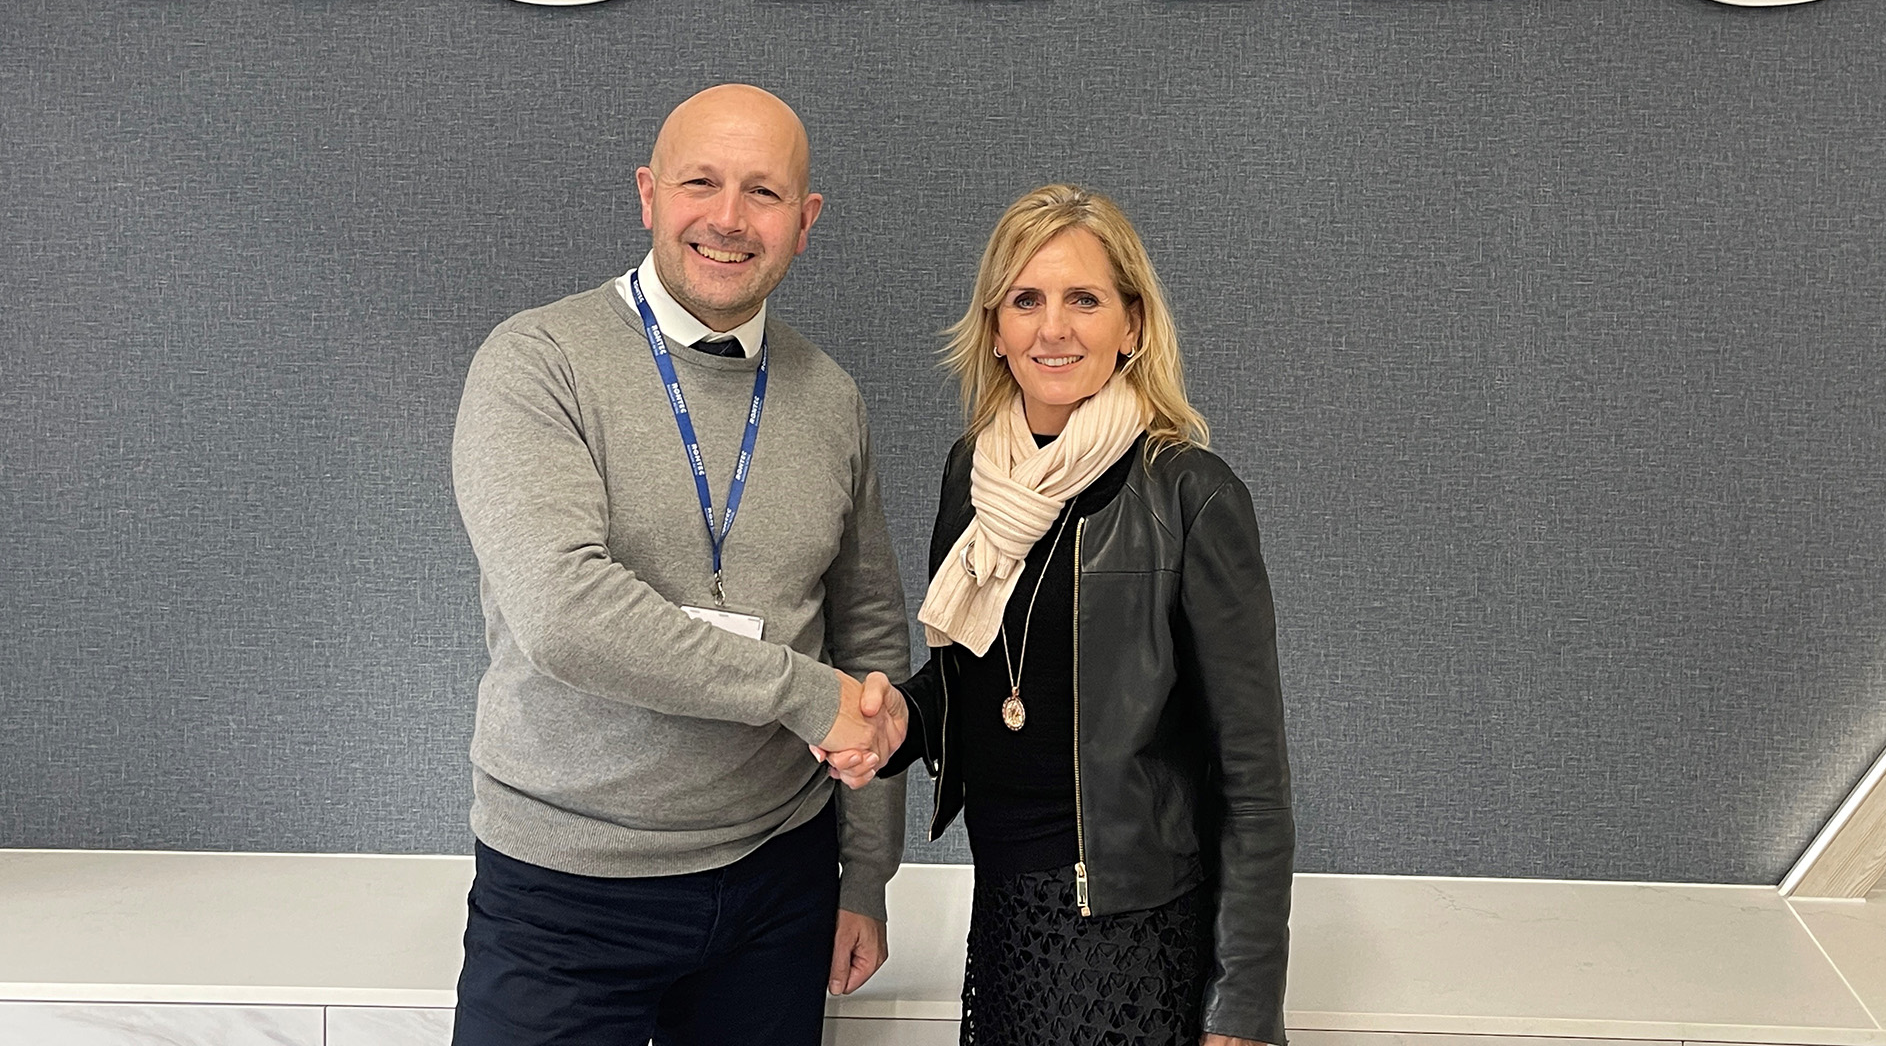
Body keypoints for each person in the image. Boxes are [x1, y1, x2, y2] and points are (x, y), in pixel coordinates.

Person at [449, 83, 911, 1046]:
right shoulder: (537, 362)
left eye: (763, 192)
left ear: (805, 222)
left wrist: (864, 875)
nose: (729, 219)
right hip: (568, 891)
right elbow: (565, 613)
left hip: (779, 885)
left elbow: (869, 634)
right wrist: (798, 692)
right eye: (701, 182)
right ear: (648, 195)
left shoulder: (832, 399)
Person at [830, 183, 1295, 1046]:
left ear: (1133, 325)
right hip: (1007, 911)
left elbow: (1255, 779)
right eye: (1026, 300)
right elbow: (979, 676)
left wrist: (1245, 1001)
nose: (1053, 328)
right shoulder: (975, 475)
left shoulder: (1190, 495)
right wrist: (905, 720)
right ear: (994, 329)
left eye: (1084, 299)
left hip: (1134, 929)